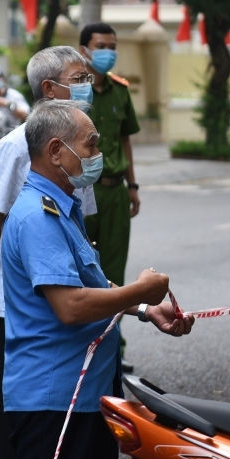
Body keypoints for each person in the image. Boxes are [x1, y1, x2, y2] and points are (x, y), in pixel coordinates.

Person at [0, 99, 193, 459]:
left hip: (84, 396)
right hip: (54, 401)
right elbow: (69, 306)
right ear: (56, 150)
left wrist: (144, 311)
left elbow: (90, 282)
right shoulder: (37, 217)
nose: (97, 153)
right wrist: (141, 292)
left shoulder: (61, 208)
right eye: (90, 144)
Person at [0, 45, 95, 459]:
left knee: (64, 443)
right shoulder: (16, 149)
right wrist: (12, 288)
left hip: (65, 298)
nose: (90, 82)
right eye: (79, 76)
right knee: (24, 432)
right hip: (26, 308)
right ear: (49, 88)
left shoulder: (77, 145)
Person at [77, 22, 140, 288]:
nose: (108, 53)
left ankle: (113, 330)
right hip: (83, 188)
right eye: (100, 47)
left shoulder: (121, 91)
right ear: (84, 50)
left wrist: (133, 186)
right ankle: (87, 330)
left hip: (116, 192)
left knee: (114, 264)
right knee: (82, 263)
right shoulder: (74, 92)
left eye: (112, 48)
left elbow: (124, 139)